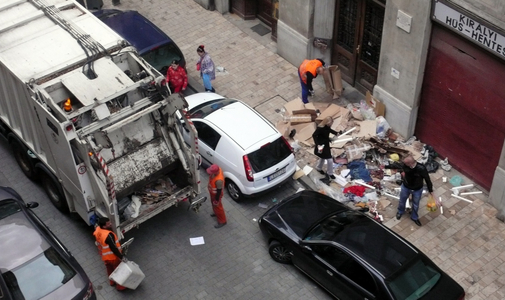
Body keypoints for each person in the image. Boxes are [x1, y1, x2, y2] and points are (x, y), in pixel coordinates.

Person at [385, 155, 434, 227]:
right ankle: (400, 211)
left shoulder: (421, 168)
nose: (404, 165)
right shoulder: (405, 165)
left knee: (416, 204)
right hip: (406, 186)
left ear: (410, 163)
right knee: (402, 201)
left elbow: (427, 179)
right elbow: (396, 165)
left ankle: (414, 217)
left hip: (417, 189)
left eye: (406, 163)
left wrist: (431, 190)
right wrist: (385, 166)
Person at [93, 217, 127, 290]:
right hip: (112, 257)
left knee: (109, 269)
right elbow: (114, 248)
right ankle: (120, 287)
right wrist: (121, 257)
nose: (110, 224)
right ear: (104, 226)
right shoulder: (108, 235)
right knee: (118, 270)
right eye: (108, 224)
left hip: (105, 256)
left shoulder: (98, 230)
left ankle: (112, 281)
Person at [207, 164, 227, 228]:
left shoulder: (218, 181)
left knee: (218, 207)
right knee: (214, 206)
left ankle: (222, 221)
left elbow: (219, 191)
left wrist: (217, 199)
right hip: (213, 194)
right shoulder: (218, 169)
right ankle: (216, 213)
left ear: (215, 172)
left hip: (216, 195)